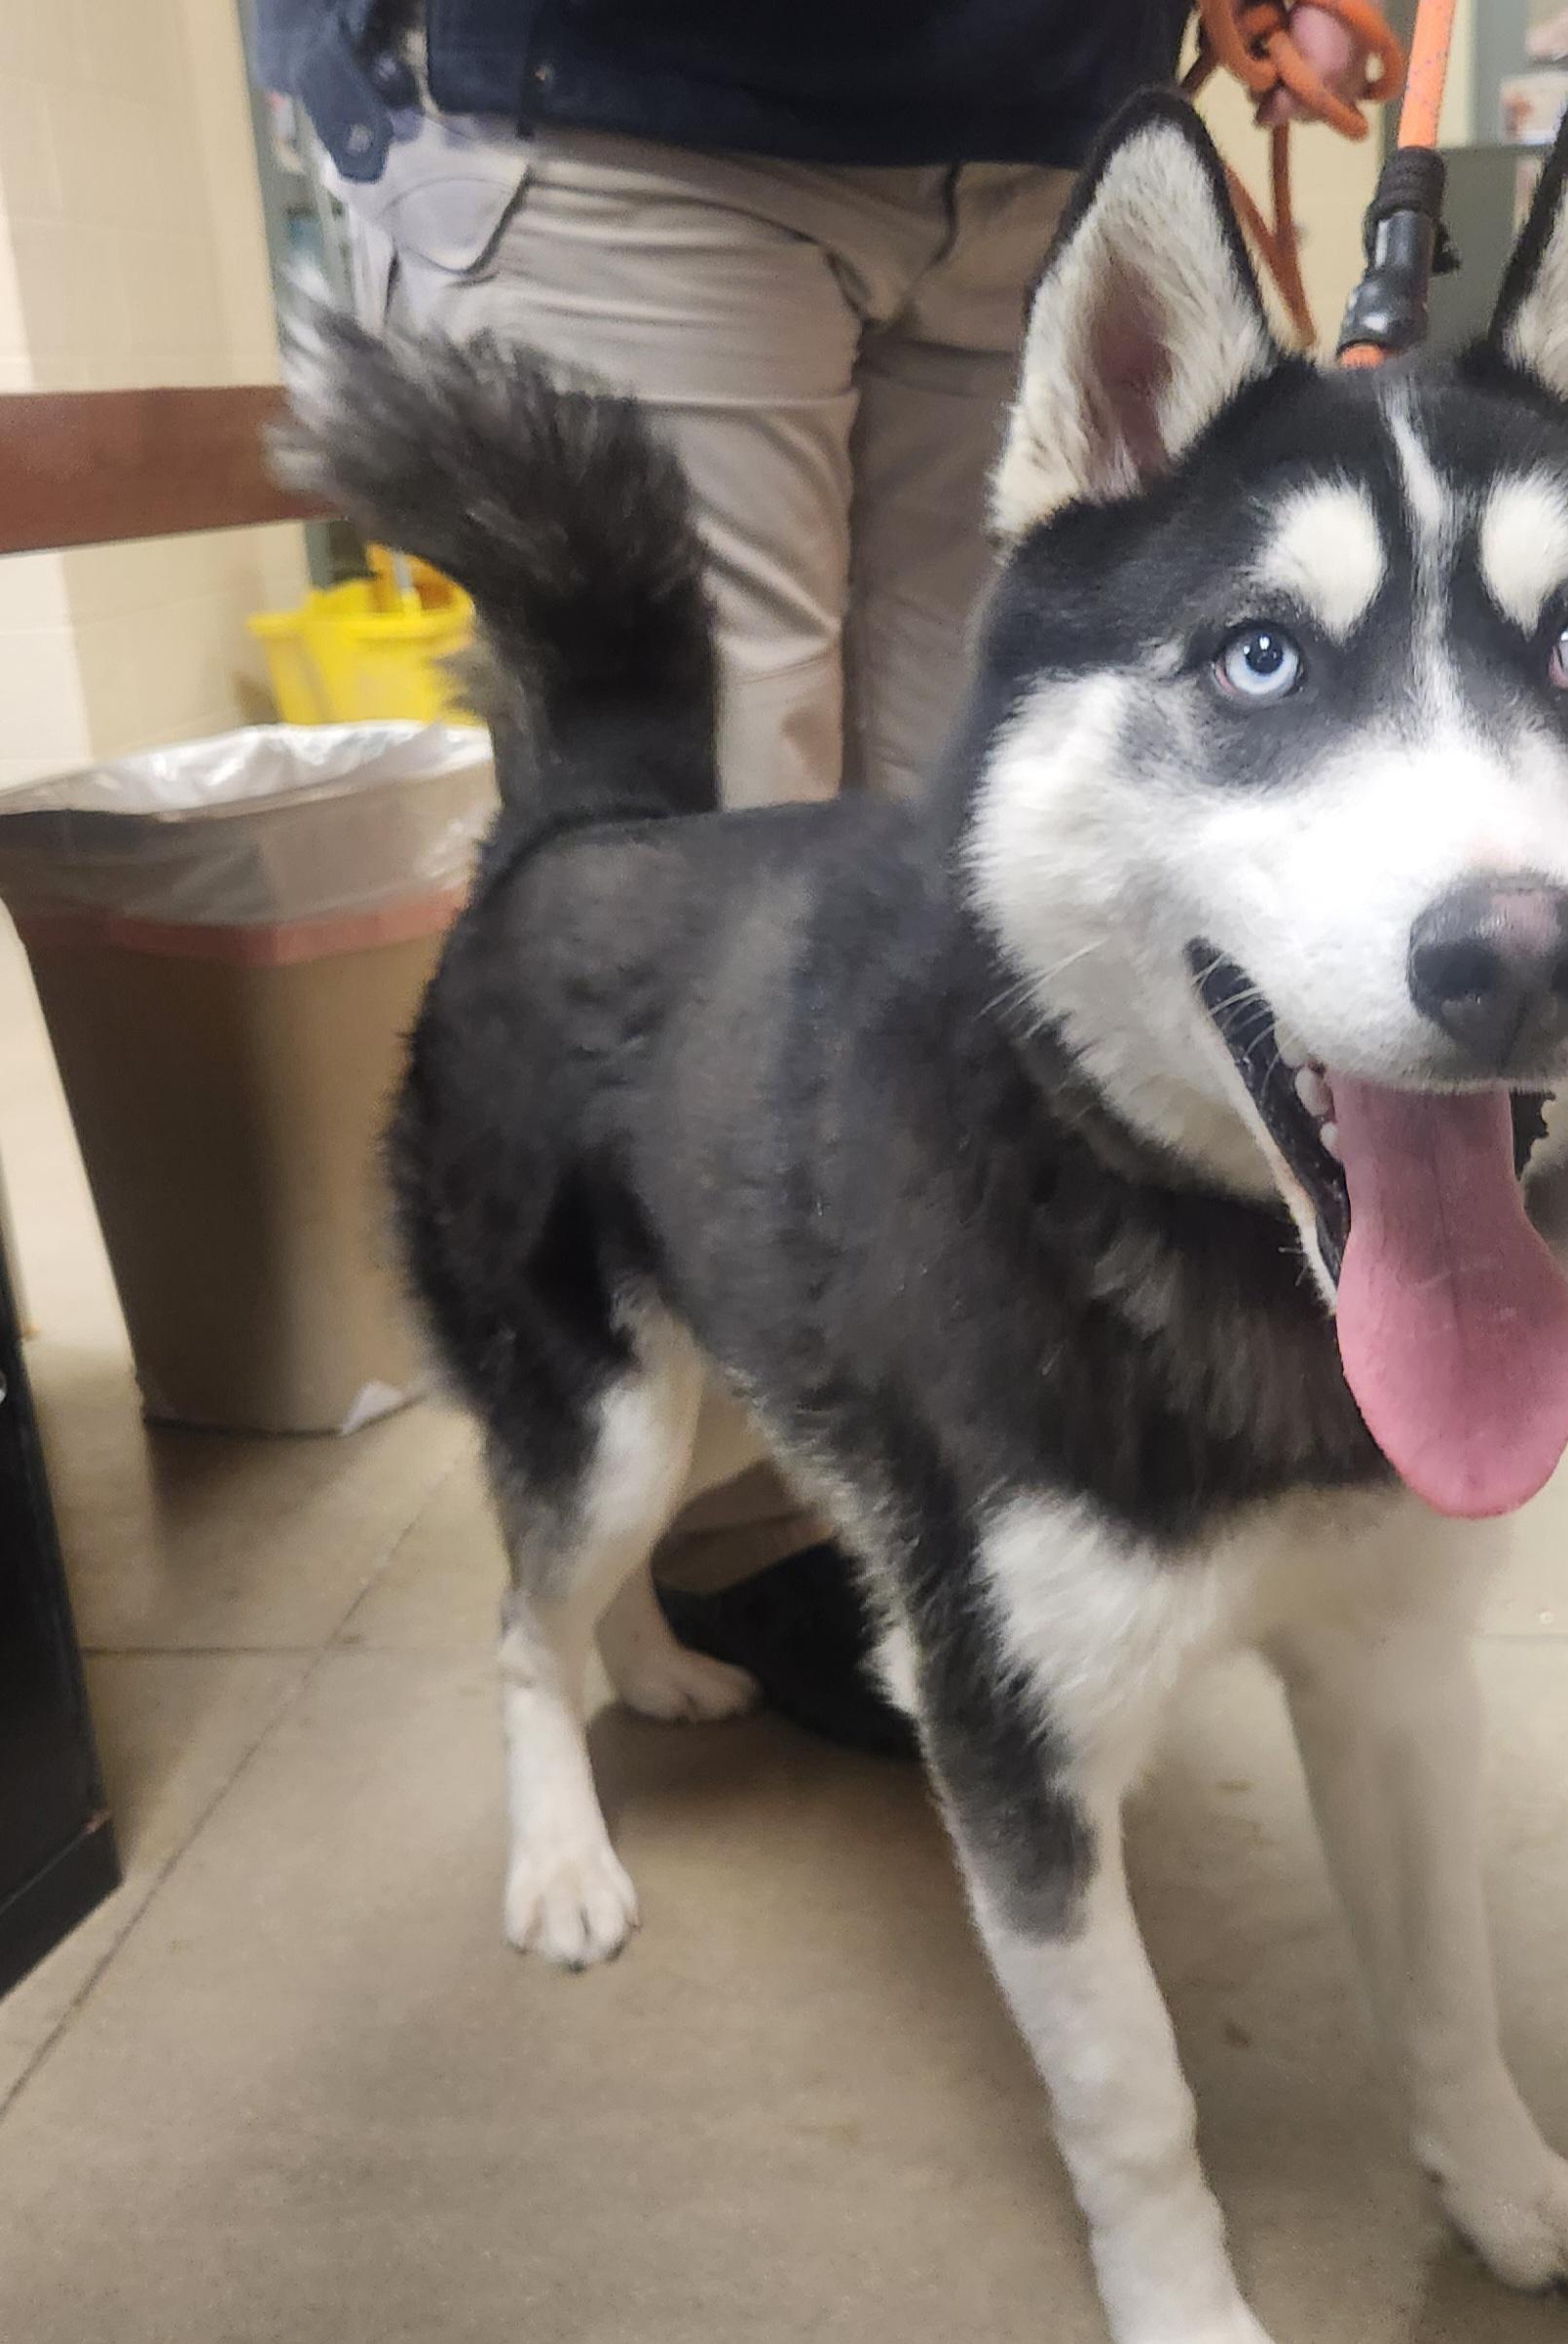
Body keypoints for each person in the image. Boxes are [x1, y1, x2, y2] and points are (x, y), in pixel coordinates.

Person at [252, 1, 1373, 1741]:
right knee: (691, 945)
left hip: (1038, 127)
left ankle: (890, 1493)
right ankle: (677, 1533)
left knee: (975, 944)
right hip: (614, 96)